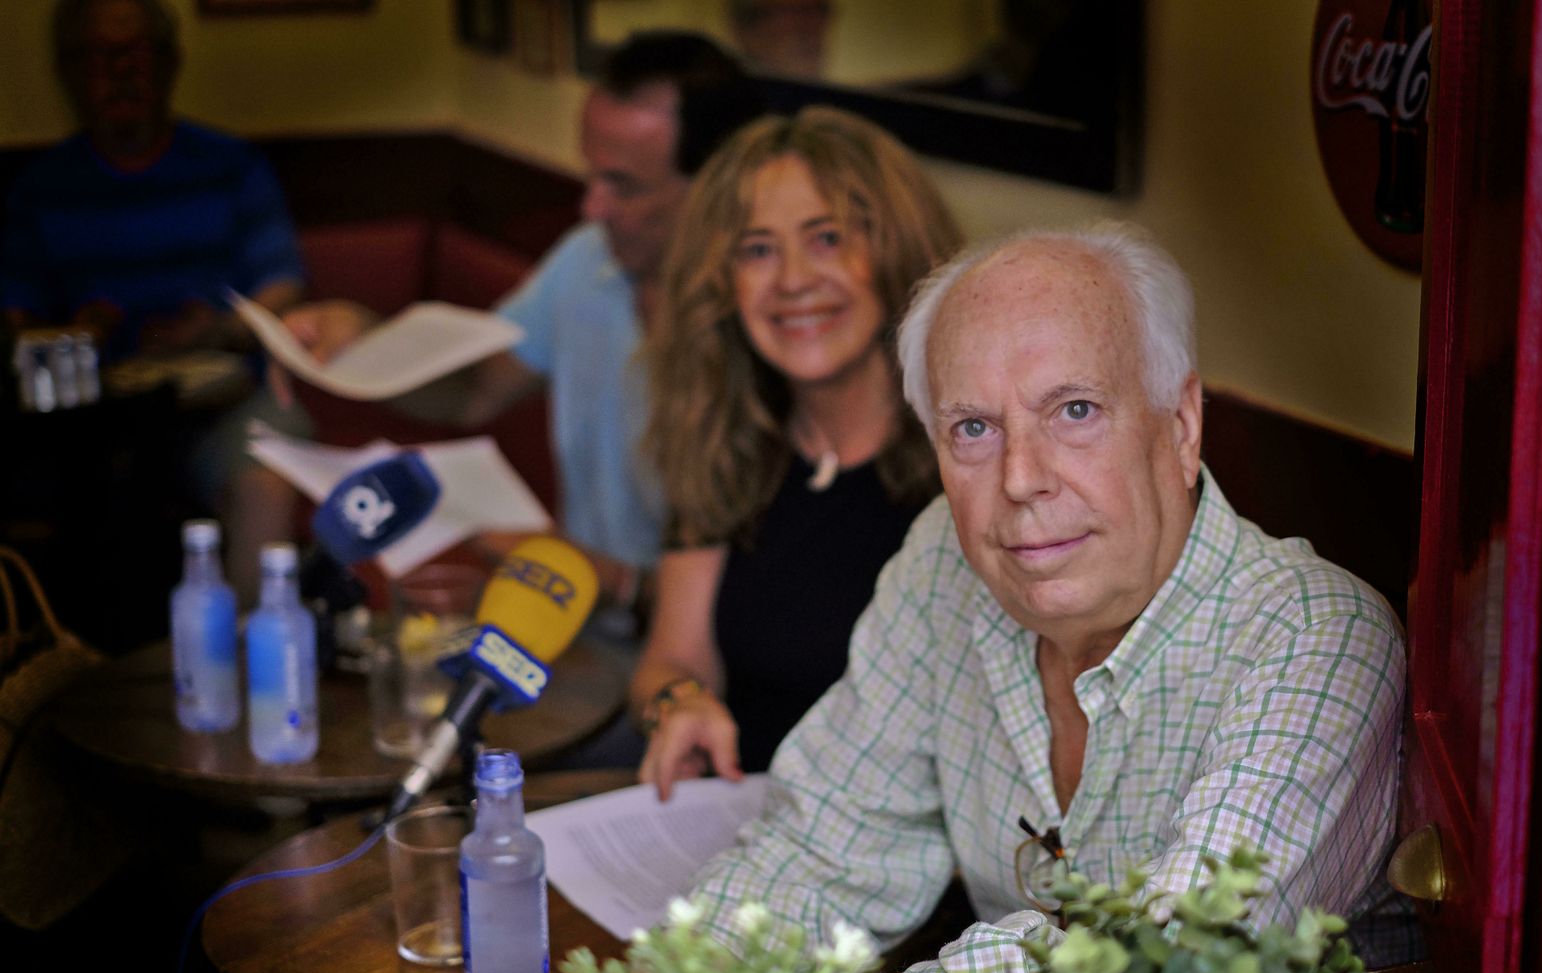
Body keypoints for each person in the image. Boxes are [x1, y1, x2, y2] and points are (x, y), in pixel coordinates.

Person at [685, 224, 1415, 973]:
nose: (1021, 478)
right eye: (973, 429)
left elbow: (1166, 972)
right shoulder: (945, 564)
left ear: (1179, 427)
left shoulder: (1318, 638)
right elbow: (822, 853)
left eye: (1074, 410)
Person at [281, 32, 765, 617]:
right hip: (578, 632)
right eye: (590, 175)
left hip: (696, 659)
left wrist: (611, 580)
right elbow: (474, 393)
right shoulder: (587, 260)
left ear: (718, 187)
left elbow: (778, 602)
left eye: (623, 185)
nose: (591, 208)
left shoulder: (773, 328)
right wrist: (365, 343)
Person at [631, 107, 962, 789]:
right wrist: (678, 704)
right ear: (722, 285)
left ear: (896, 251)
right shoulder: (726, 445)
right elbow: (672, 657)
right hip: (743, 827)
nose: (791, 280)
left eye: (828, 238)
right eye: (757, 250)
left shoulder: (969, 458)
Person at [1, 0, 304, 360]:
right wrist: (76, 338)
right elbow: (15, 319)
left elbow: (284, 286)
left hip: (225, 389)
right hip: (99, 399)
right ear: (68, 71)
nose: (122, 70)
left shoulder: (233, 166)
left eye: (138, 51)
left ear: (171, 63)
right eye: (100, 54)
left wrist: (219, 332)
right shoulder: (41, 189)